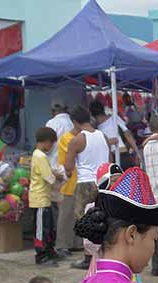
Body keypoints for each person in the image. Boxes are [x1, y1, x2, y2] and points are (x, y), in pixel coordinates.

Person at [65, 105, 111, 270]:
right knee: (103, 216)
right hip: (104, 181)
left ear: (75, 122)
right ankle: (103, 252)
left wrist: (68, 173)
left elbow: (68, 168)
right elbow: (109, 160)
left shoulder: (77, 139)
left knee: (84, 218)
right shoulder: (103, 136)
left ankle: (88, 257)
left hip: (85, 183)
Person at [29, 127, 61, 265]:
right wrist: (58, 177)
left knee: (47, 226)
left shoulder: (38, 155)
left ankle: (49, 251)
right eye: (51, 143)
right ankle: (41, 255)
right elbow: (49, 177)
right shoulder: (40, 156)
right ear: (46, 142)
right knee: (41, 229)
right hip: (39, 199)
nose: (52, 146)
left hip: (43, 198)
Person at [55, 125, 80, 258]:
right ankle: (62, 245)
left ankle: (75, 244)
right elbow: (72, 158)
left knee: (77, 215)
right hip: (68, 183)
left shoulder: (82, 138)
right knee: (66, 216)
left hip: (80, 182)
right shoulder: (67, 139)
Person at [90, 101, 139, 168]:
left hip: (112, 158)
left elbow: (127, 134)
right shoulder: (114, 118)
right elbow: (128, 134)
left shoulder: (97, 129)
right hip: (122, 153)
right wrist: (137, 151)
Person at [44, 102, 74, 167]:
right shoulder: (73, 123)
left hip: (55, 165)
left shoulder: (52, 123)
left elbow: (46, 145)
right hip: (71, 166)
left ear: (53, 111)